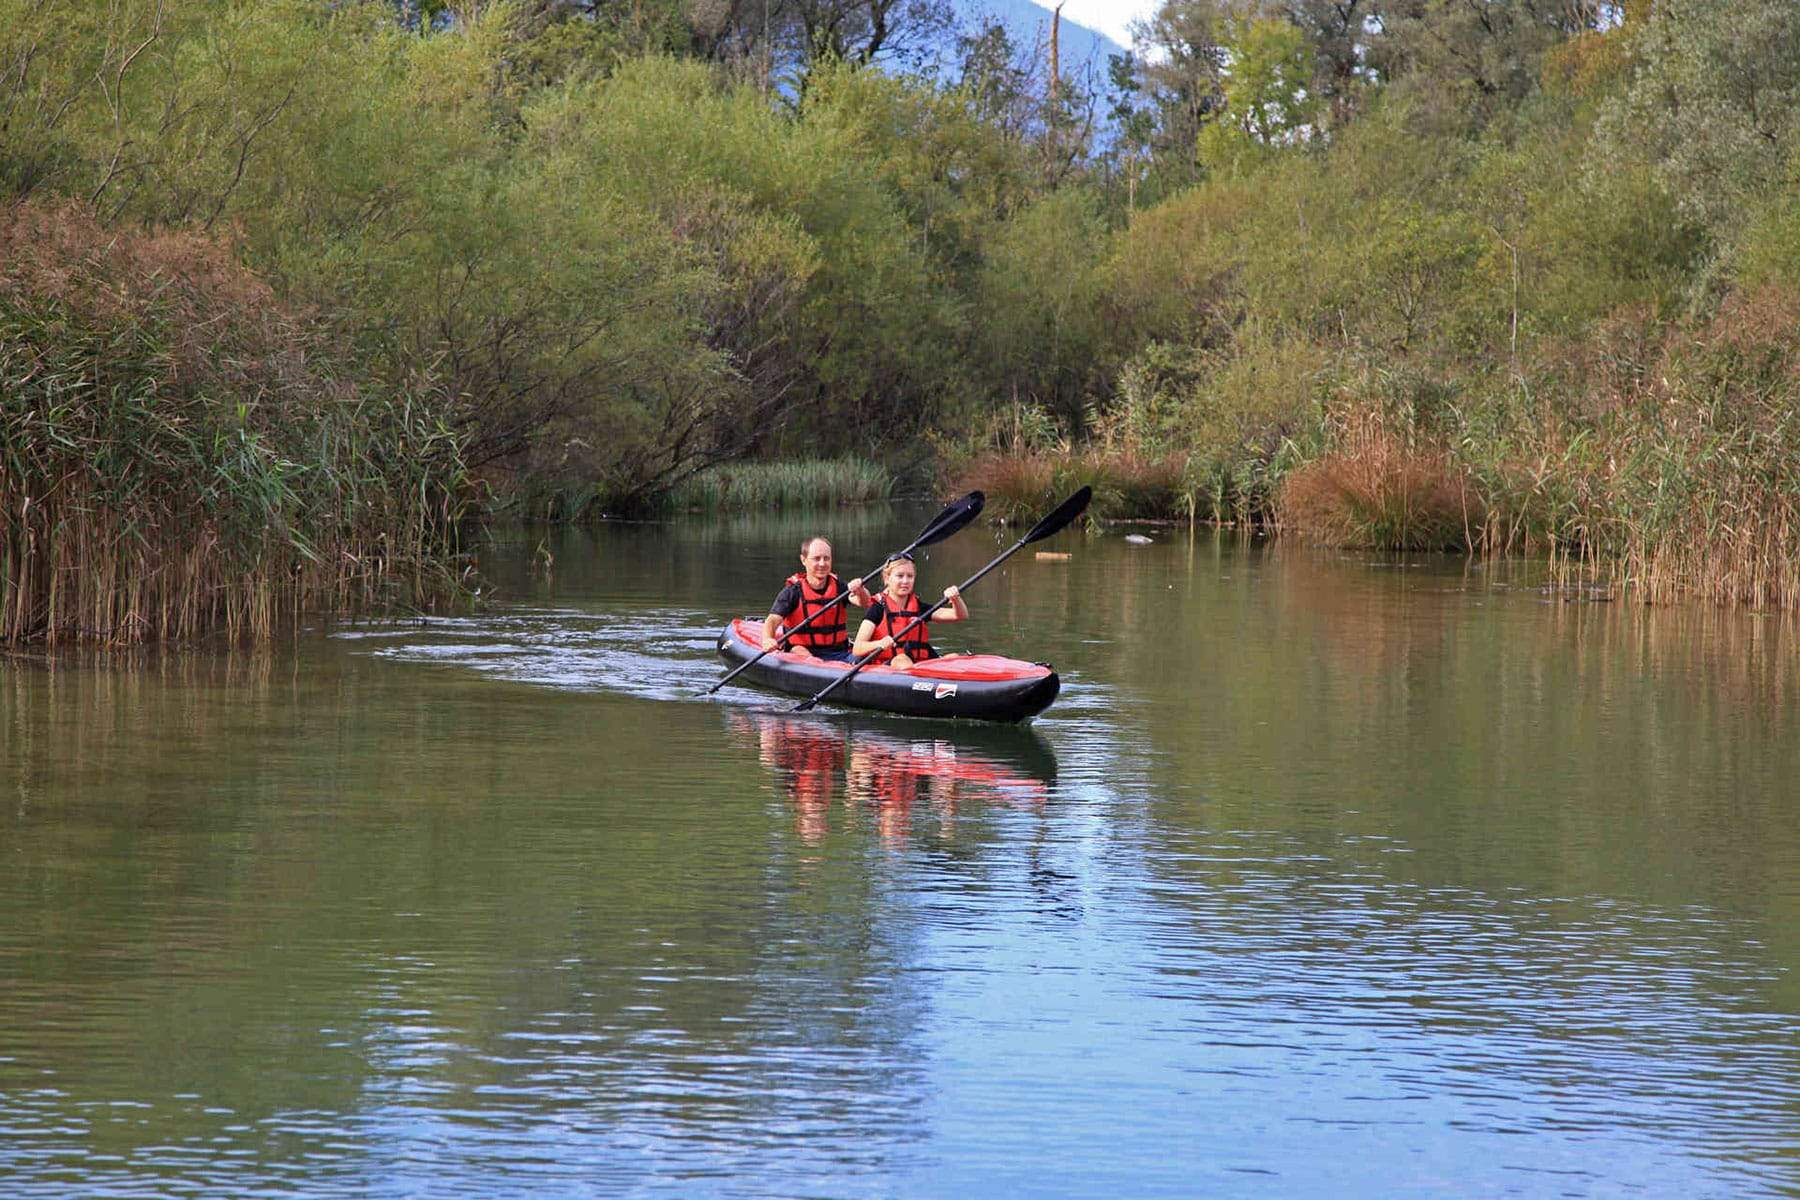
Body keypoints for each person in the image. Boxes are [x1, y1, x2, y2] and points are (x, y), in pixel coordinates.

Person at [763, 536, 871, 662]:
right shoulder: (792, 592)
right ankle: (816, 665)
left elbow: (865, 602)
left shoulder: (839, 586)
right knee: (799, 651)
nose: (822, 563)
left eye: (826, 558)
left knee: (865, 657)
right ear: (803, 560)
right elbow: (772, 620)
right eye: (816, 558)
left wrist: (860, 590)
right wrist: (768, 639)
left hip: (839, 651)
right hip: (801, 650)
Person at [852, 551, 967, 669]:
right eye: (900, 576)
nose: (905, 581)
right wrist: (879, 643)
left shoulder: (920, 607)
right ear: (887, 578)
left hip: (920, 663)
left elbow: (959, 615)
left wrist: (956, 599)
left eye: (910, 576)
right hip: (888, 666)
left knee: (954, 657)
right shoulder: (877, 608)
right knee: (902, 659)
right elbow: (857, 648)